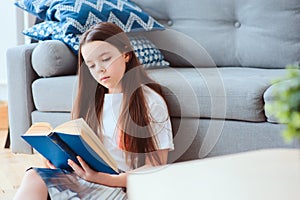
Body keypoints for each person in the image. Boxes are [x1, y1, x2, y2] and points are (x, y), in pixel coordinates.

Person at [14, 22, 174, 200]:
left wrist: (102, 178)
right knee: (34, 177)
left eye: (106, 59)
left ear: (126, 54)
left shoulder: (150, 102)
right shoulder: (91, 99)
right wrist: (60, 161)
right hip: (86, 178)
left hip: (120, 186)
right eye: (91, 65)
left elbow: (155, 168)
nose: (100, 70)